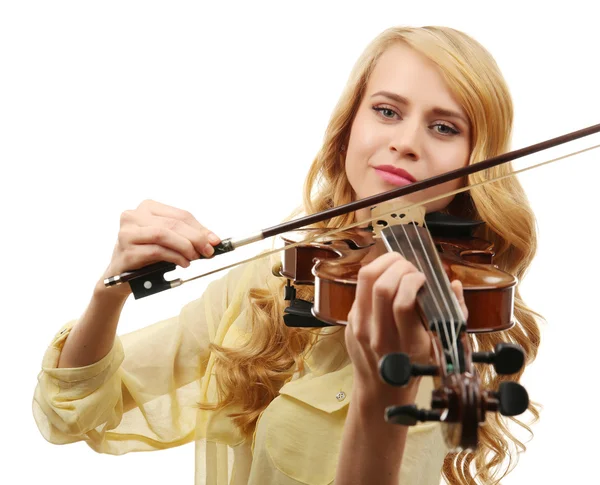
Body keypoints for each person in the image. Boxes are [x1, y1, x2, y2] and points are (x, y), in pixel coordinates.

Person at [32, 25, 542, 485]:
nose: (406, 142)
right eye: (387, 111)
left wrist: (382, 397)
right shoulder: (274, 278)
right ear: (349, 129)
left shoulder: (442, 326)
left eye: (445, 127)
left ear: (477, 164)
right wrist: (111, 289)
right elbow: (73, 413)